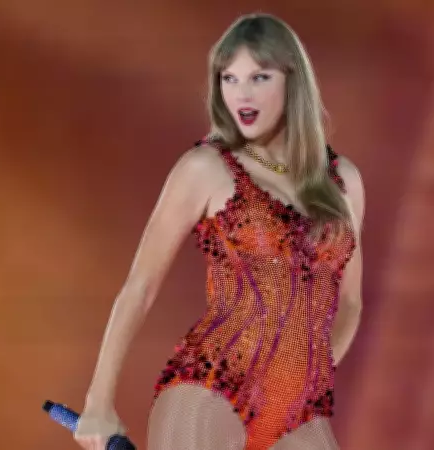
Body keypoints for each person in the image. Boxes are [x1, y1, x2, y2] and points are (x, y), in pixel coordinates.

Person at [73, 13, 364, 450]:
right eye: (229, 78)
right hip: (210, 392)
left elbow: (351, 303)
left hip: (293, 412)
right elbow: (140, 287)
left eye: (259, 77)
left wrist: (303, 377)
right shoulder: (206, 168)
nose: (241, 93)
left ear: (293, 82)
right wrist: (98, 402)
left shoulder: (343, 181)